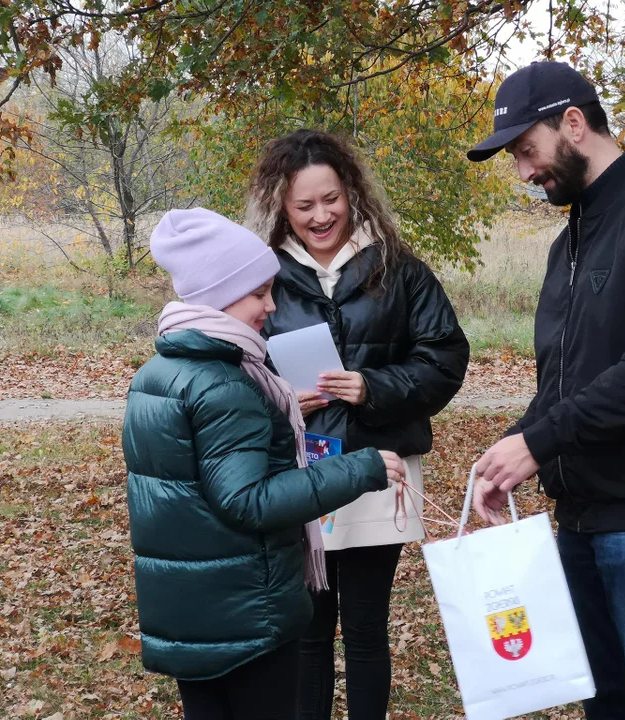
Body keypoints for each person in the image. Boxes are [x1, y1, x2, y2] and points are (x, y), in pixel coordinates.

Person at [466, 62, 625, 719]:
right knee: (603, 703)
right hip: (576, 518)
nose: (524, 173)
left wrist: (539, 441)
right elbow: (562, 380)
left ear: (574, 125)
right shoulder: (570, 242)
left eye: (527, 151)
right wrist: (509, 453)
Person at [121, 207, 407, 720]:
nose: (271, 306)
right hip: (246, 614)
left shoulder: (159, 373)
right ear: (217, 294)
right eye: (259, 293)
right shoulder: (227, 383)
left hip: (194, 612)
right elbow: (248, 500)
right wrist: (360, 469)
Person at [246, 129, 469, 720]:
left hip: (380, 466)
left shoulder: (400, 270)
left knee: (367, 628)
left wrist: (375, 386)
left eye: (332, 199)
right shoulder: (258, 278)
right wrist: (282, 397)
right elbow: (234, 370)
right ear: (281, 207)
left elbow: (445, 358)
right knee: (311, 630)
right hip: (299, 473)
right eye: (304, 205)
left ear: (352, 194)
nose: (321, 216)